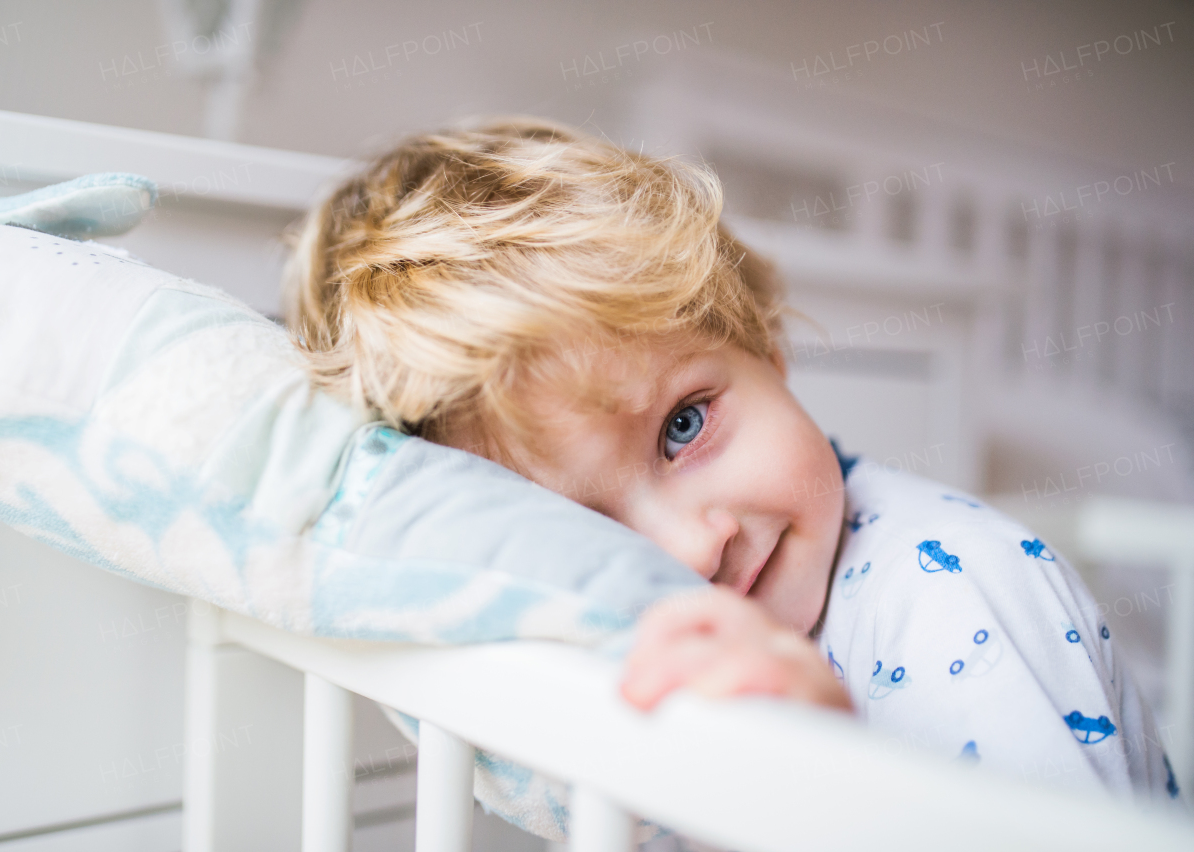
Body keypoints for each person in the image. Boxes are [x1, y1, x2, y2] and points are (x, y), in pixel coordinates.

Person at [282, 117, 1180, 837]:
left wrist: (831, 791)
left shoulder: (953, 593)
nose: (691, 545)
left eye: (684, 426)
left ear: (768, 348)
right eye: (586, 527)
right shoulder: (588, 659)